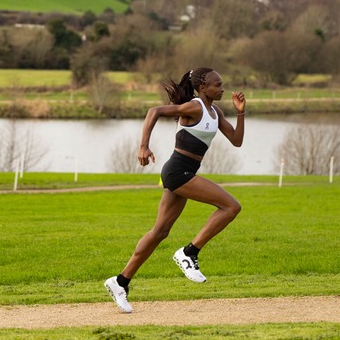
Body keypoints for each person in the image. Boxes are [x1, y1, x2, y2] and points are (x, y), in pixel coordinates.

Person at [104, 67, 246, 313]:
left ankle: (120, 281)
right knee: (231, 206)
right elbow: (154, 111)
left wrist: (241, 113)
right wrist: (143, 147)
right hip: (178, 171)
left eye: (222, 84)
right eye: (217, 85)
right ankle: (189, 253)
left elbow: (236, 140)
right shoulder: (195, 107)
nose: (222, 88)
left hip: (183, 173)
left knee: (159, 232)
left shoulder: (215, 111)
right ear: (202, 88)